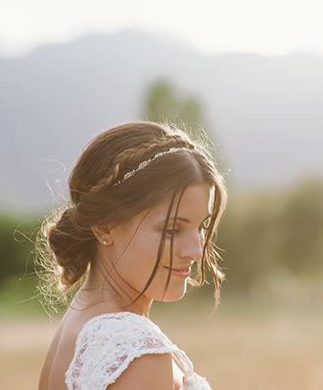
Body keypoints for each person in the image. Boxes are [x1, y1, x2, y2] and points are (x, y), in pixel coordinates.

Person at [37, 121, 227, 390]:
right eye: (172, 229)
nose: (196, 251)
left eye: (201, 226)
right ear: (105, 225)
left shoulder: (79, 325)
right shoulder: (139, 354)